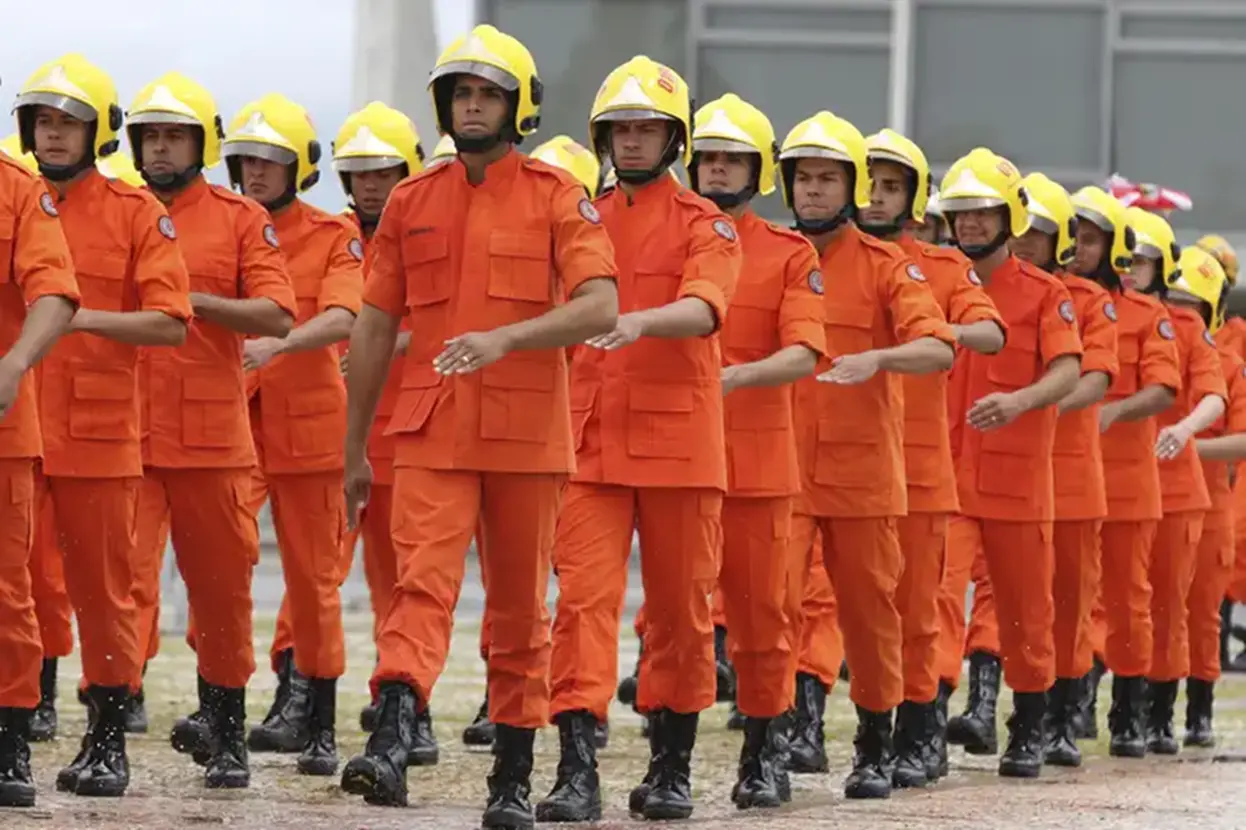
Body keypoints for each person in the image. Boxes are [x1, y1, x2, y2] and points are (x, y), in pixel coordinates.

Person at [338, 26, 618, 828]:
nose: (471, 104)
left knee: (520, 609)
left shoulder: (560, 196)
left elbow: (601, 305)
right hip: (432, 430)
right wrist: (354, 447)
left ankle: (513, 778)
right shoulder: (410, 202)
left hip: (529, 436)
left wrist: (507, 338)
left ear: (518, 107)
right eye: (461, 92)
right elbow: (373, 325)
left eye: (488, 93)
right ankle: (390, 744)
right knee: (419, 588)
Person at [537, 56, 740, 823]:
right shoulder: (577, 218)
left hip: (681, 448)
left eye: (645, 128)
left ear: (672, 139)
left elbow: (706, 307)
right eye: (619, 129)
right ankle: (576, 767)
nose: (630, 141)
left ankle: (671, 764)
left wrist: (635, 321)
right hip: (588, 446)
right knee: (580, 605)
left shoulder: (706, 224)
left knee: (681, 614)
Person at [16, 53, 193, 798]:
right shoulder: (14, 200)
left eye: (70, 123)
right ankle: (19, 728)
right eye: (44, 122)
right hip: (18, 428)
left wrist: (79, 316)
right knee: (17, 588)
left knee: (104, 592)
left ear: (99, 130)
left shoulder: (133, 213)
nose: (55, 136)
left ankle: (107, 737)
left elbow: (171, 323)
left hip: (98, 433)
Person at [123, 71, 296, 788]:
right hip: (122, 433)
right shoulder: (112, 209)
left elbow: (278, 315)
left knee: (222, 592)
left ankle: (226, 731)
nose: (161, 150)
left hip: (213, 439)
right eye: (151, 136)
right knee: (119, 588)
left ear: (201, 143)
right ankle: (107, 732)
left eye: (174, 136)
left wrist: (189, 301)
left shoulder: (238, 218)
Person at [781, 110, 955, 799]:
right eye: (805, 178)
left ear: (850, 186)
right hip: (782, 469)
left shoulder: (890, 266)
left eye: (829, 178)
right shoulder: (766, 254)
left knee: (872, 615)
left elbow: (938, 344)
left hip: (863, 474)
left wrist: (877, 356)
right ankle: (772, 744)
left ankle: (875, 745)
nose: (815, 190)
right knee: (772, 611)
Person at [687, 92, 826, 807]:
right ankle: (667, 761)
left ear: (757, 170)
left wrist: (738, 374)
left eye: (731, 159)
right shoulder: (660, 236)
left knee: (764, 618)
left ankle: (766, 751)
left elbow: (806, 351)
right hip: (674, 456)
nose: (716, 171)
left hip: (758, 463)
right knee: (676, 618)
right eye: (708, 158)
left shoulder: (787, 252)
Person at [219, 93, 364, 777]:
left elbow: (344, 318)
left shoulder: (335, 236)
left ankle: (321, 725)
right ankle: (219, 707)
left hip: (309, 430)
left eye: (270, 161)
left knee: (314, 582)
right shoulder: (221, 228)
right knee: (220, 563)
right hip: (230, 427)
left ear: (299, 166)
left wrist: (277, 346)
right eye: (245, 159)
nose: (255, 171)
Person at [858, 128, 1005, 785]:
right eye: (870, 184)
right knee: (840, 607)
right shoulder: (822, 258)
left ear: (916, 200)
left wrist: (940, 329)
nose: (877, 197)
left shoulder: (945, 269)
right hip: (838, 465)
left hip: (919, 466)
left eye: (892, 186)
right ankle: (851, 730)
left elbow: (991, 330)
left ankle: (921, 733)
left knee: (919, 609)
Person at [937, 148, 1082, 778]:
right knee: (934, 598)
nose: (969, 225)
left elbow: (1069, 370)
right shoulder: (931, 280)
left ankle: (1028, 726)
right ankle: (922, 724)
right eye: (960, 214)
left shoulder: (1046, 294)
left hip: (1018, 479)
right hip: (943, 477)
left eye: (981, 213)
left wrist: (1019, 401)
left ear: (1010, 218)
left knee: (1026, 609)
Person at [323, 101, 441, 768]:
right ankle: (304, 695)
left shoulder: (431, 233)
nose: (369, 185)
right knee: (321, 572)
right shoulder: (328, 236)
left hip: (410, 434)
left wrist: (389, 342)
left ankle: (407, 706)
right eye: (358, 174)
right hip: (334, 434)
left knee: (403, 583)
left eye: (382, 172)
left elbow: (454, 314)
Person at [1004, 173, 1118, 767]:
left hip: (1068, 471)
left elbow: (1094, 376)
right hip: (1001, 468)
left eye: (1038, 232)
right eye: (1018, 227)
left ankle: (1062, 715)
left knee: (1070, 601)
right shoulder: (987, 286)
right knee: (1006, 597)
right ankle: (993, 704)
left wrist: (1033, 405)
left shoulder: (1088, 301)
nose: (1024, 241)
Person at [1068, 186, 1179, 753]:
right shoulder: (1054, 300)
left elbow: (1163, 389)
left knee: (1128, 597)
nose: (1081, 248)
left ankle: (1130, 710)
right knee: (1073, 593)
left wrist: (1112, 411)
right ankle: (1074, 702)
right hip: (1064, 477)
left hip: (1129, 480)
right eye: (1077, 236)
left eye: (1092, 239)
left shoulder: (1147, 314)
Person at [0, 114, 81, 809]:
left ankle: (8, 746)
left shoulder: (20, 192)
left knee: (6, 597)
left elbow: (53, 291)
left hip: (2, 429)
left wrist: (17, 360)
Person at [1130, 208, 1226, 754]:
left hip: (1176, 488)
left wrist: (1185, 431)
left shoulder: (1186, 329)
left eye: (1142, 260)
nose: (1130, 269)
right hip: (1113, 481)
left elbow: (1214, 396)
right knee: (1112, 603)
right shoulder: (1103, 312)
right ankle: (1111, 707)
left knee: (1172, 605)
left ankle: (1164, 714)